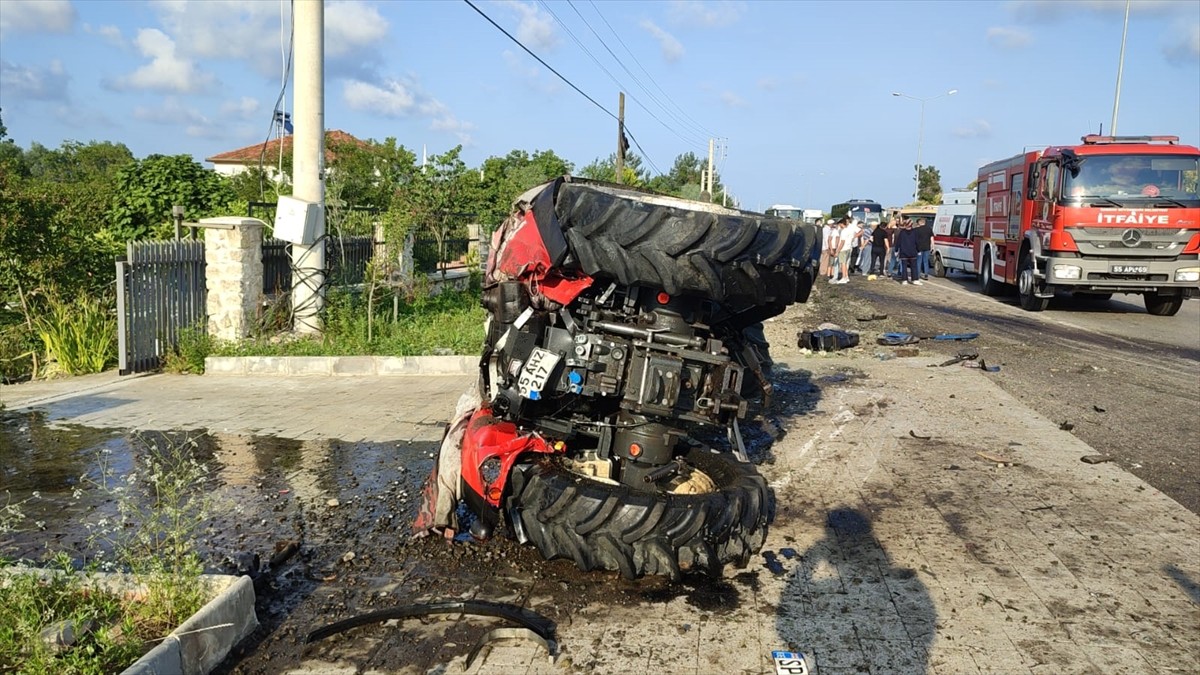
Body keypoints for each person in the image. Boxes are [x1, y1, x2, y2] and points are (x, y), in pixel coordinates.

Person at [896, 218, 922, 285]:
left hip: (904, 252)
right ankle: (915, 279)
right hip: (913, 251)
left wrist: (896, 250)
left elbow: (898, 242)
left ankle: (904, 280)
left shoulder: (902, 232)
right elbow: (917, 242)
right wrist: (919, 250)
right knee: (914, 266)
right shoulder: (915, 232)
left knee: (904, 267)